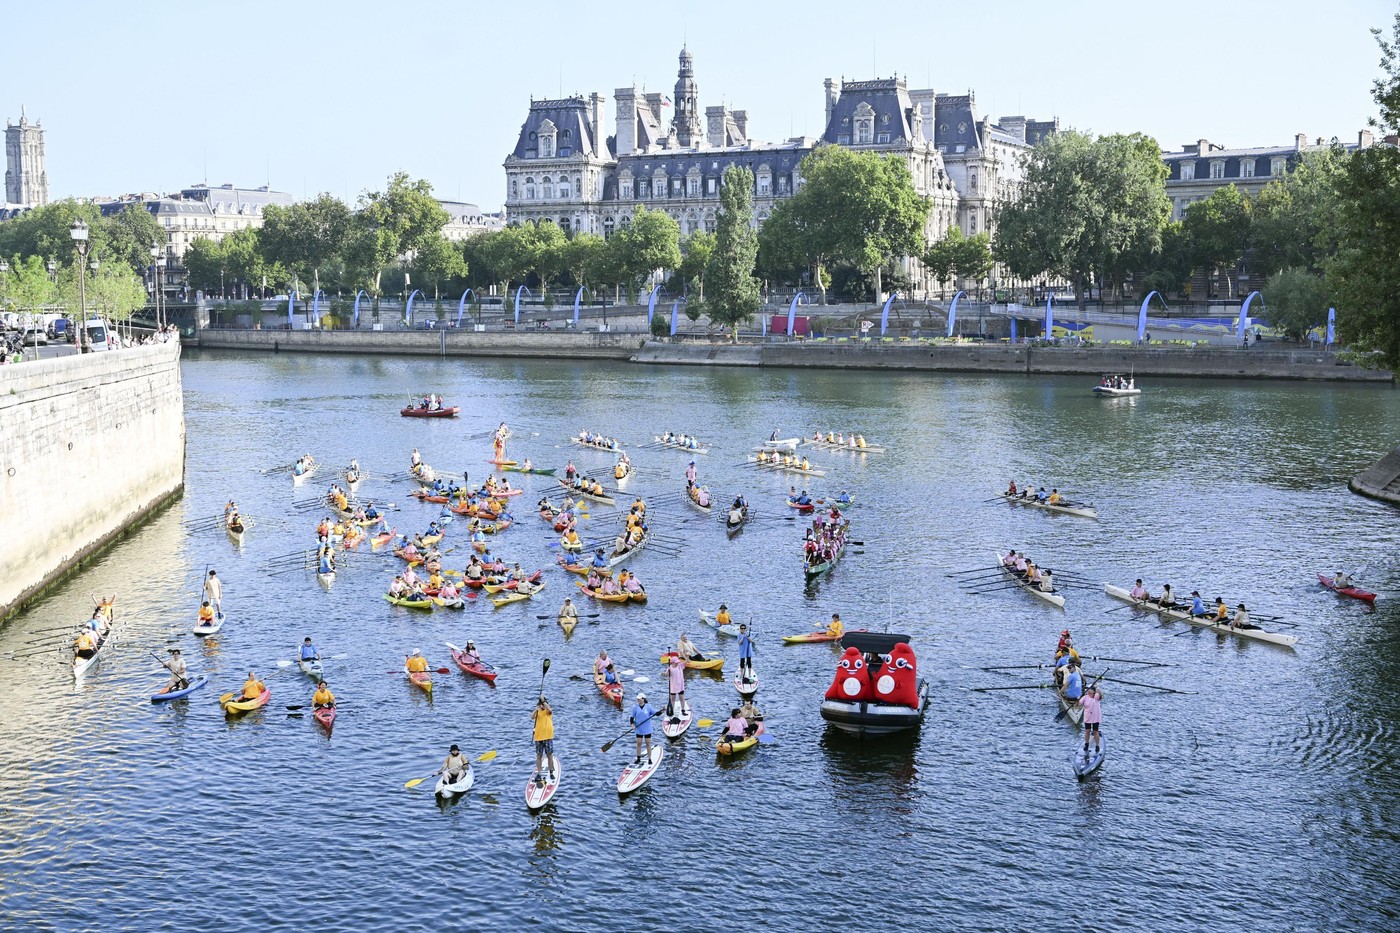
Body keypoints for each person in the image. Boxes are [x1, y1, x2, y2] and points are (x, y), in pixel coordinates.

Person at [630, 692, 658, 766]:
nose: (638, 700)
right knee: (639, 743)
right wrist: (632, 724)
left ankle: (649, 759)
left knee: (648, 744)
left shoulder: (649, 707)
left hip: (647, 728)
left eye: (639, 699)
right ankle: (638, 758)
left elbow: (656, 713)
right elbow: (631, 718)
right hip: (639, 728)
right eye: (637, 699)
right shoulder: (635, 708)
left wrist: (662, 711)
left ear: (643, 699)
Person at [532, 696, 555, 786]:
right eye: (541, 705)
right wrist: (536, 709)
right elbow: (531, 717)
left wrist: (544, 701)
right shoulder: (537, 712)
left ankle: (551, 772)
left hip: (548, 736)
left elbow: (550, 710)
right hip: (538, 737)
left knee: (549, 755)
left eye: (543, 705)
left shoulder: (548, 711)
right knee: (539, 756)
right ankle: (539, 773)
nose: (542, 706)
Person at [1079, 684, 1103, 754]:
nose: (1089, 692)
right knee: (1087, 731)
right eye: (1088, 691)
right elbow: (1079, 704)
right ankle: (1086, 744)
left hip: (1095, 717)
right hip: (1088, 717)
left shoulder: (1096, 696)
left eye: (1090, 690)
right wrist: (1077, 701)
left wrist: (1097, 688)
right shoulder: (1085, 697)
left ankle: (1097, 746)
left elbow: (1101, 695)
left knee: (1095, 732)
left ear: (1093, 691)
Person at [666, 650, 688, 717]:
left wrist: (686, 655)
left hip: (680, 685)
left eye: (677, 662)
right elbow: (666, 674)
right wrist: (666, 672)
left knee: (681, 697)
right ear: (672, 663)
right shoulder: (669, 668)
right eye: (675, 662)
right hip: (673, 686)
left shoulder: (680, 666)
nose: (677, 663)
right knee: (673, 699)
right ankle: (671, 711)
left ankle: (683, 710)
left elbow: (687, 661)